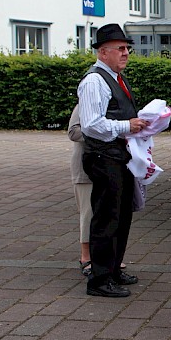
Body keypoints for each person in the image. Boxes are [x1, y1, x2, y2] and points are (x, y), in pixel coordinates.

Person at [77, 23, 148, 298]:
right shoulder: (94, 81)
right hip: (103, 156)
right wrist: (126, 126)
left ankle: (113, 268)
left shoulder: (116, 78)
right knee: (107, 217)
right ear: (103, 52)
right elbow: (92, 125)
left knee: (121, 215)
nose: (126, 53)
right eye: (120, 48)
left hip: (119, 155)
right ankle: (99, 278)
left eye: (127, 48)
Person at [68, 104, 93, 277]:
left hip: (106, 166)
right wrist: (102, 132)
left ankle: (105, 256)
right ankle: (86, 257)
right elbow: (73, 132)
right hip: (85, 167)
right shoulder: (84, 104)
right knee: (88, 212)